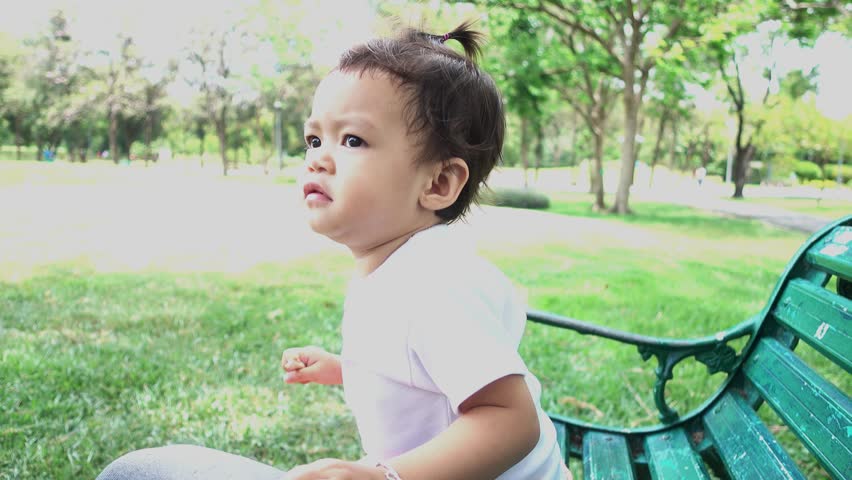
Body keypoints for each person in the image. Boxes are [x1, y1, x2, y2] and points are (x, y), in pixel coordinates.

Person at [97, 21, 569, 480]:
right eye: (315, 138)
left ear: (439, 183)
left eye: (353, 140)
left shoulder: (434, 284)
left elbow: (511, 420)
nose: (317, 157)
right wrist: (348, 369)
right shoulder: (399, 266)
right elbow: (424, 374)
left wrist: (384, 475)